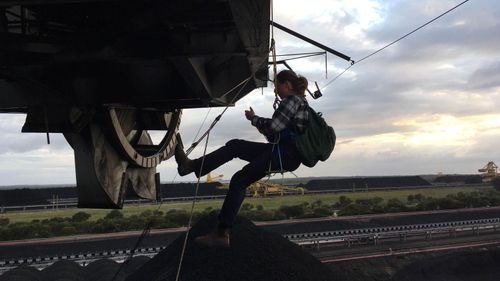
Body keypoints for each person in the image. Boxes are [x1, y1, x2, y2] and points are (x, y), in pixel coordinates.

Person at [174, 69, 309, 247]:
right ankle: (192, 167)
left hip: (284, 154)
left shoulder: (292, 100)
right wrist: (258, 122)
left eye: (277, 86)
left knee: (239, 180)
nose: (276, 91)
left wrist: (254, 119)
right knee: (235, 146)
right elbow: (275, 133)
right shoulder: (301, 102)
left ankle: (222, 234)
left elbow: (273, 127)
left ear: (287, 85)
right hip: (283, 153)